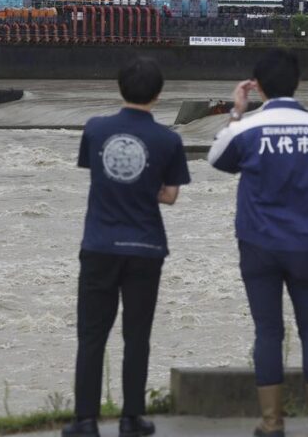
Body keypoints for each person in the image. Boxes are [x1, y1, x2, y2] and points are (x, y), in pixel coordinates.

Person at [207, 50, 308, 437]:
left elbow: (216, 159)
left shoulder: (247, 129)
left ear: (258, 87)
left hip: (258, 245)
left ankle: (272, 423)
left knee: (268, 331)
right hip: (307, 246)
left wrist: (237, 111)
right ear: (298, 83)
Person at [63, 57, 191, 437]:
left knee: (91, 335)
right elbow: (169, 196)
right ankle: (131, 418)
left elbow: (98, 173)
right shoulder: (169, 139)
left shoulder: (96, 129)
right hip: (145, 246)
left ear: (119, 88)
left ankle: (85, 420)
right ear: (159, 94)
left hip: (100, 244)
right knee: (137, 336)